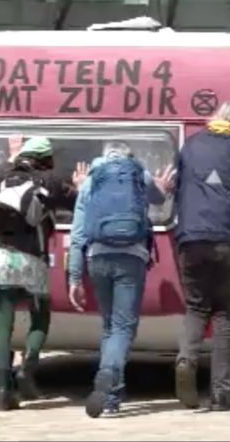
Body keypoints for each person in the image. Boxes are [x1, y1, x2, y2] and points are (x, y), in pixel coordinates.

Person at [68, 141, 175, 418]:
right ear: (129, 156)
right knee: (124, 327)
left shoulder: (91, 180)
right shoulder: (138, 173)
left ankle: (112, 396)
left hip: (97, 257)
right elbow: (160, 198)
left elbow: (78, 233)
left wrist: (75, 277)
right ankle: (109, 374)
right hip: (132, 258)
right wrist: (163, 185)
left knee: (109, 327)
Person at [0, 136, 85, 411]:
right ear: (47, 159)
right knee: (40, 314)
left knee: (2, 324)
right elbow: (80, 204)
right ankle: (28, 369)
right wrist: (81, 187)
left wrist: (11, 157)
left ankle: (3, 391)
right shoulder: (49, 180)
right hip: (29, 256)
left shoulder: (2, 172)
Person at [173, 101, 230, 412]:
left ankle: (186, 361)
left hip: (191, 237)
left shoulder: (193, 142)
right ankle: (221, 393)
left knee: (196, 307)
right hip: (228, 238)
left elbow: (179, 187)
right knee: (223, 314)